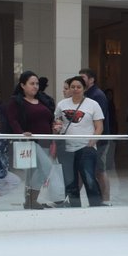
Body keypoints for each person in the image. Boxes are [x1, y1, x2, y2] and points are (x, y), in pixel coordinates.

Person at [4, 70, 55, 210]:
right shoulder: (16, 102)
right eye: (32, 83)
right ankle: (33, 199)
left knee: (35, 172)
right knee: (47, 167)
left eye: (37, 83)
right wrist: (21, 134)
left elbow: (49, 118)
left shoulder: (44, 100)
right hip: (30, 142)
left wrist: (55, 126)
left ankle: (29, 201)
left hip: (45, 140)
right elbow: (12, 120)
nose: (35, 86)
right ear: (22, 85)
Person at [53, 76, 104, 207]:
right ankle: (75, 208)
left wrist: (91, 143)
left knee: (89, 179)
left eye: (79, 87)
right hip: (67, 149)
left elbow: (99, 127)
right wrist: (56, 128)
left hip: (86, 148)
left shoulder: (93, 104)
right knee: (70, 182)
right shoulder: (62, 104)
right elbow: (57, 123)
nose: (75, 89)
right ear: (68, 88)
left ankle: (96, 206)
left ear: (84, 89)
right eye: (72, 87)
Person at [78, 68, 113, 205]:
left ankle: (106, 200)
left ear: (91, 80)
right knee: (81, 170)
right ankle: (72, 197)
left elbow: (99, 120)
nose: (80, 80)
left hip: (99, 140)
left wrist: (94, 139)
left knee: (99, 170)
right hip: (87, 140)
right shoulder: (86, 94)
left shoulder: (97, 95)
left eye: (83, 77)